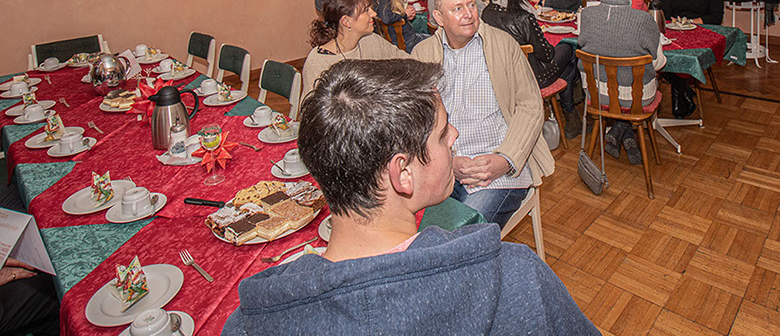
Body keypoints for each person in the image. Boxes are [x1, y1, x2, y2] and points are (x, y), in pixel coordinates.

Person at [222, 58, 599, 335]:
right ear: (402, 173)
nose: (454, 136)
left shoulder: (250, 323)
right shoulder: (514, 278)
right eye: (441, 133)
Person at [413, 0, 554, 228]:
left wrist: (506, 159)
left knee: (464, 231)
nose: (468, 14)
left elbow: (530, 106)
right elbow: (417, 119)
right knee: (412, 228)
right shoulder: (423, 54)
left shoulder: (504, 46)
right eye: (457, 8)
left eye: (471, 5)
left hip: (497, 169)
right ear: (438, 17)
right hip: (443, 166)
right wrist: (448, 161)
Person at [482, 0, 584, 139]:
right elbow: (546, 55)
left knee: (566, 65)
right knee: (567, 51)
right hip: (531, 78)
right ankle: (571, 115)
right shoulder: (524, 17)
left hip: (501, 76)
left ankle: (571, 115)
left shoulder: (487, 13)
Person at [578, 0, 667, 164]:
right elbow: (658, 63)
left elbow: (584, 47)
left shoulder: (587, 15)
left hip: (597, 94)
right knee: (640, 82)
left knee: (615, 84)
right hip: (637, 98)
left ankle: (619, 131)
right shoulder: (643, 19)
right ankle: (626, 133)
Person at [301, 0, 408, 99]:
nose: (374, 13)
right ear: (346, 21)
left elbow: (407, 63)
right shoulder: (318, 63)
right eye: (366, 10)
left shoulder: (371, 40)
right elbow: (313, 107)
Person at [662, 0, 723, 118]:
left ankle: (679, 93)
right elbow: (665, 12)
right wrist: (677, 24)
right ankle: (685, 91)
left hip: (701, 33)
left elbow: (716, 17)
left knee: (683, 56)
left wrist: (691, 22)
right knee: (657, 54)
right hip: (674, 32)